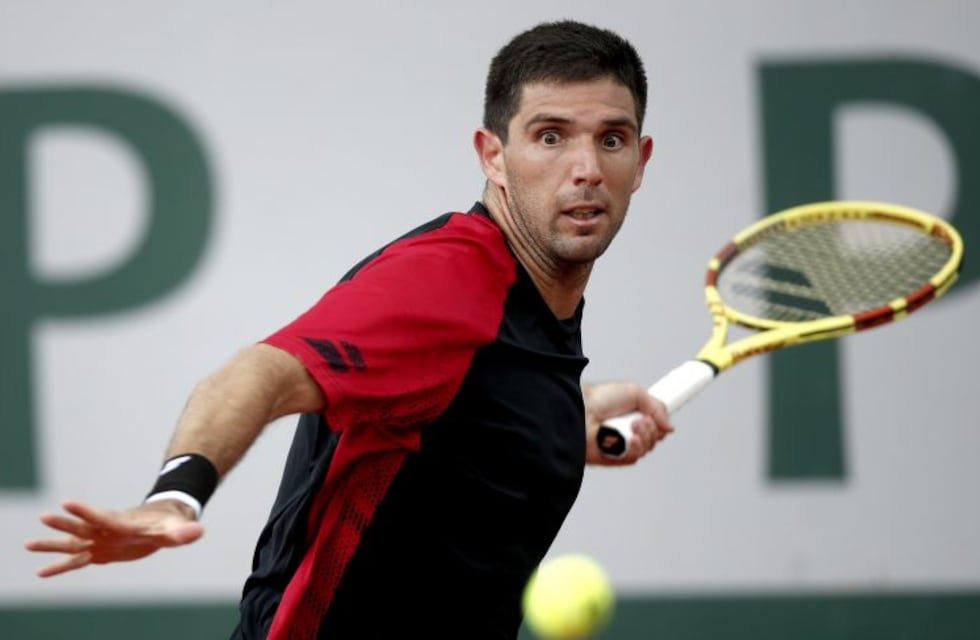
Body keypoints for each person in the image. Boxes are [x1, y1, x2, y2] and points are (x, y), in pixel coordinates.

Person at [26, 19, 674, 639]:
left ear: (640, 162)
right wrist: (177, 496)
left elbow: (460, 409)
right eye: (551, 136)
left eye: (611, 139)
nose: (586, 167)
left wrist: (563, 420)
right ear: (494, 157)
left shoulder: (537, 301)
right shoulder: (449, 278)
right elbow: (263, 372)